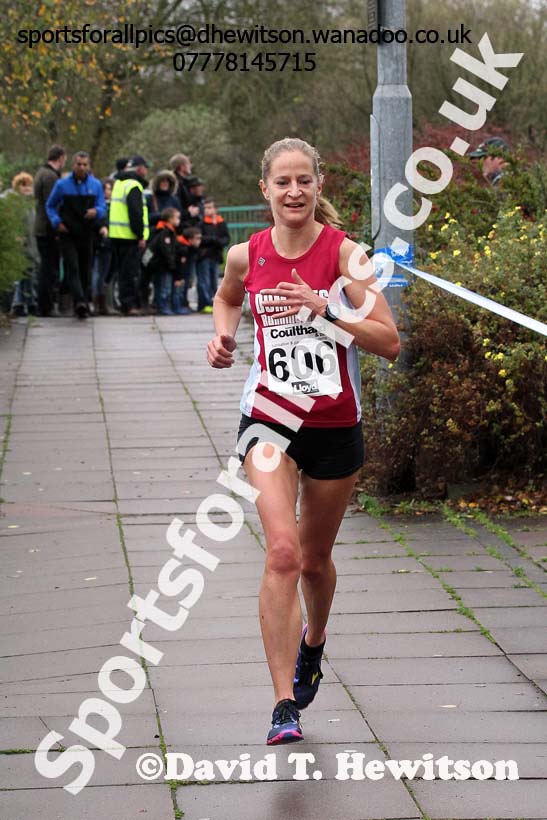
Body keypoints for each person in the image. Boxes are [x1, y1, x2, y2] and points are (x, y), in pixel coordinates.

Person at [207, 137, 400, 745]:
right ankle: (283, 705)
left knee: (315, 562)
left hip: (334, 427)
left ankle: (313, 645)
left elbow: (388, 341)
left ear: (319, 187)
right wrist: (223, 337)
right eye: (282, 182)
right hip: (268, 421)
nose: (294, 192)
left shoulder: (348, 257)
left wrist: (325, 310)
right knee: (282, 552)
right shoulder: (246, 254)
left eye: (304, 182)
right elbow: (226, 297)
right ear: (264, 189)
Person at [46, 151, 105, 319]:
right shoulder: (62, 185)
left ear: (89, 166)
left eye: (85, 165)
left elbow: (102, 206)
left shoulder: (95, 185)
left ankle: (84, 301)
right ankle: (79, 301)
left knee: (86, 268)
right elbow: (50, 205)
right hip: (68, 232)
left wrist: (97, 211)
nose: (82, 167)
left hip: (87, 232)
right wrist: (57, 222)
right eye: (79, 164)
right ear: (73, 165)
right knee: (72, 267)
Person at [109, 155, 150, 316]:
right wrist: (140, 234)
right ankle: (130, 305)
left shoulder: (119, 183)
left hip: (117, 235)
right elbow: (136, 212)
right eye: (145, 168)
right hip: (129, 236)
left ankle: (125, 304)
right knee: (130, 273)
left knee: (122, 273)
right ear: (140, 168)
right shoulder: (133, 185)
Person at [33, 144, 66, 316]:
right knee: (49, 268)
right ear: (61, 158)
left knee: (46, 266)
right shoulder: (51, 177)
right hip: (48, 229)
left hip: (41, 227)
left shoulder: (41, 173)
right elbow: (52, 204)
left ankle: (44, 304)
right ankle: (46, 306)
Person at [8, 173, 40, 317]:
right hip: (20, 244)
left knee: (29, 273)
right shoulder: (14, 203)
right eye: (23, 185)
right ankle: (22, 303)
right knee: (22, 274)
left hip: (30, 244)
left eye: (29, 185)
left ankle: (24, 302)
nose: (27, 188)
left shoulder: (30, 204)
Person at [145, 206, 186, 315]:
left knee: (165, 287)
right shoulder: (165, 233)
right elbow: (167, 252)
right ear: (170, 219)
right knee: (164, 288)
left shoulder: (170, 232)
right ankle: (162, 307)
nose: (179, 220)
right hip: (163, 266)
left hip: (165, 266)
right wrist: (172, 266)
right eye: (177, 218)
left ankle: (165, 306)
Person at [197, 198, 230, 313]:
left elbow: (226, 238)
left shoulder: (221, 223)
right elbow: (200, 238)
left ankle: (214, 302)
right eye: (205, 208)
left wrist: (217, 241)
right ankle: (204, 303)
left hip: (215, 256)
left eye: (210, 208)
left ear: (216, 209)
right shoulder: (202, 223)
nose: (207, 210)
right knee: (204, 281)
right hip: (205, 256)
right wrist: (214, 240)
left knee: (213, 281)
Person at [92, 178, 117, 315]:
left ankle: (105, 302)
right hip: (100, 242)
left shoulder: (114, 205)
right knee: (98, 273)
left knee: (107, 273)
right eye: (107, 189)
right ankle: (98, 302)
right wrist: (102, 227)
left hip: (110, 243)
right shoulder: (99, 206)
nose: (109, 192)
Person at [177, 225, 202, 313]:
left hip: (186, 273)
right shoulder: (183, 249)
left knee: (186, 286)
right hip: (181, 274)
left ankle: (184, 304)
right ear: (190, 239)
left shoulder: (192, 249)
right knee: (181, 288)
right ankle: (180, 305)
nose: (199, 241)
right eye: (197, 238)